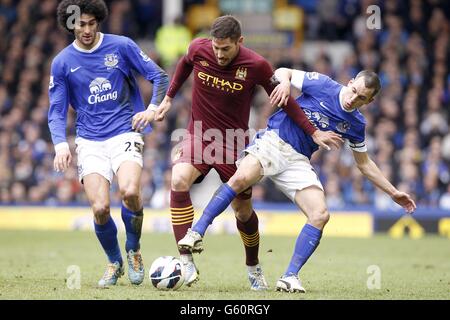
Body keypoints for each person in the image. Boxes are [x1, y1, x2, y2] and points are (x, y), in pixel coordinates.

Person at [132, 15, 342, 290]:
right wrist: (169, 98)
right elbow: (185, 63)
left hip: (235, 142)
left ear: (239, 42)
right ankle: (186, 260)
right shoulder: (199, 48)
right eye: (216, 48)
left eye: (226, 49)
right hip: (200, 134)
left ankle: (253, 265)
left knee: (243, 212)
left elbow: (285, 100)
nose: (219, 54)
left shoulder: (256, 65)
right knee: (179, 179)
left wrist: (313, 132)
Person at [177, 68, 417, 293]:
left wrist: (393, 192)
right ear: (351, 82)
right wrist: (283, 83)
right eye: (354, 91)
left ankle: (290, 276)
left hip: (298, 160)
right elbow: (284, 71)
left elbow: (364, 163)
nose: (353, 99)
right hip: (274, 141)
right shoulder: (323, 84)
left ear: (369, 102)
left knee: (320, 214)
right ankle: (196, 231)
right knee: (240, 181)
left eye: (361, 98)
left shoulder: (356, 124)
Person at [48, 0, 169, 287]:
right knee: (100, 208)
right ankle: (114, 262)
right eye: (80, 24)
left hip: (124, 131)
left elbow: (159, 76)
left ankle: (134, 249)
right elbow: (55, 110)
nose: (86, 30)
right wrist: (60, 144)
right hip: (89, 140)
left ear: (99, 21)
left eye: (91, 23)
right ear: (70, 24)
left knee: (129, 191)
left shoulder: (121, 46)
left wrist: (152, 109)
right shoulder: (62, 62)